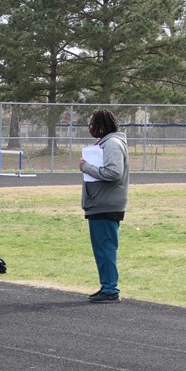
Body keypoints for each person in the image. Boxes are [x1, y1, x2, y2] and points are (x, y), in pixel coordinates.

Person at [78, 108, 129, 303]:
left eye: (92, 123)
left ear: (102, 125)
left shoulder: (112, 144)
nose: (90, 127)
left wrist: (87, 168)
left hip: (106, 204)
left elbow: (114, 172)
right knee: (102, 249)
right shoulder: (105, 143)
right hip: (100, 202)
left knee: (106, 248)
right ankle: (107, 287)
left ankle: (110, 289)